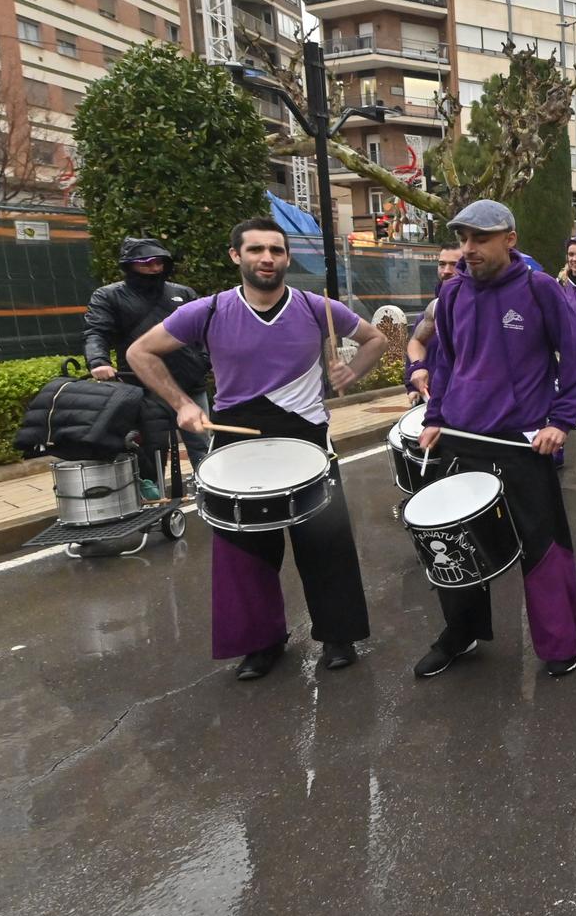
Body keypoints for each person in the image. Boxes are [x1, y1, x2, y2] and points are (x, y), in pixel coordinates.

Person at [127, 218, 384, 680]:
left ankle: (338, 635)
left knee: (326, 542)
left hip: (307, 436)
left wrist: (353, 373)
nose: (267, 258)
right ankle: (259, 643)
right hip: (235, 439)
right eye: (256, 250)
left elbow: (375, 338)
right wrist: (182, 403)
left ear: (287, 258)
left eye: (276, 250)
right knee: (244, 549)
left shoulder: (315, 307)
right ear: (236, 256)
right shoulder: (207, 311)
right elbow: (139, 352)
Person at [408, 201, 576, 679]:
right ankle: (462, 632)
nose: (469, 249)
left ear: (509, 239)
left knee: (543, 548)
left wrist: (560, 421)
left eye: (480, 239)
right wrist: (435, 415)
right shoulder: (451, 296)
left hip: (522, 443)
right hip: (463, 439)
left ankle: (558, 643)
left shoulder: (540, 289)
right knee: (457, 547)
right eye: (464, 239)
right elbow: (447, 362)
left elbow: (575, 361)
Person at [83, 236, 206, 491]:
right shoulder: (109, 296)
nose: (153, 268)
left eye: (159, 262)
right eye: (145, 262)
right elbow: (97, 332)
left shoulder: (182, 293)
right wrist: (98, 361)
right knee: (151, 450)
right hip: (143, 389)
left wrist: (205, 361)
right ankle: (153, 503)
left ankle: (215, 496)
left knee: (204, 447)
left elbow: (205, 331)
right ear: (129, 265)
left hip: (190, 385)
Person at [404, 245, 463, 403]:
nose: (446, 271)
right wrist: (414, 375)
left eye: (454, 265)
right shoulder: (434, 309)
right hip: (433, 402)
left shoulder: (483, 308)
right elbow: (417, 342)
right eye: (442, 264)